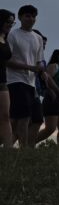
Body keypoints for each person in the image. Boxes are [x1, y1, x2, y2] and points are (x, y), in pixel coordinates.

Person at [5, 5, 46, 148]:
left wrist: (40, 68)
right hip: (15, 80)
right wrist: (30, 67)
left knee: (32, 118)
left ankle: (19, 147)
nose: (31, 19)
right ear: (20, 17)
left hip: (31, 83)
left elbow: (39, 60)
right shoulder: (12, 35)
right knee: (22, 118)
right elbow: (7, 60)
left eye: (33, 16)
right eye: (28, 16)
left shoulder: (38, 38)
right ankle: (23, 150)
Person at [0, 9, 15, 147]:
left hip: (2, 80)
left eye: (12, 22)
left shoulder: (5, 38)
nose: (10, 25)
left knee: (5, 115)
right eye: (8, 21)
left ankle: (8, 150)